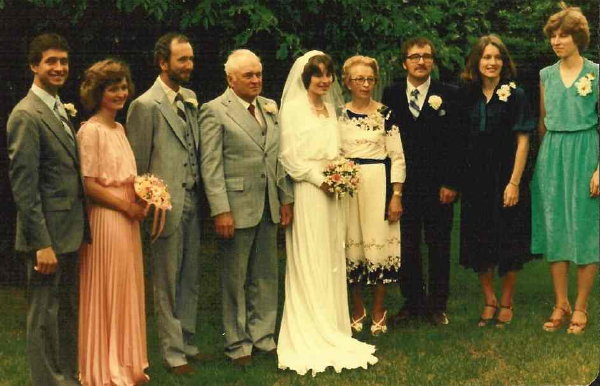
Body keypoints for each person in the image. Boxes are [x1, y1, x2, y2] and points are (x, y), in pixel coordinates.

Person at [277, 50, 378, 376]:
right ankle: (310, 329)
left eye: (328, 74)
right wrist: (321, 181)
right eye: (317, 74)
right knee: (311, 257)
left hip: (334, 194)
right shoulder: (293, 110)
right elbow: (289, 158)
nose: (324, 80)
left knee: (332, 257)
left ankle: (333, 328)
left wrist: (340, 174)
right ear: (305, 77)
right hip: (309, 192)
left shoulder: (331, 111)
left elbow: (336, 151)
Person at [199, 49, 294, 367]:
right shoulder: (214, 111)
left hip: (267, 204)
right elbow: (210, 166)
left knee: (265, 275)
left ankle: (263, 336)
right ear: (230, 79)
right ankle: (237, 343)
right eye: (248, 76)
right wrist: (220, 210)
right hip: (235, 207)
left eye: (259, 74)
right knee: (235, 278)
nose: (256, 80)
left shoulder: (269, 108)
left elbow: (277, 158)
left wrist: (284, 198)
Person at [6, 33, 87, 386]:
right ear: (33, 65)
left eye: (64, 62)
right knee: (44, 315)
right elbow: (25, 187)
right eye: (51, 61)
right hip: (46, 238)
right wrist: (41, 243)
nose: (59, 68)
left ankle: (67, 376)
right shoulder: (26, 114)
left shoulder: (58, 108)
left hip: (68, 232)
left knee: (66, 314)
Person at [126, 33, 206, 375]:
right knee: (166, 279)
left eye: (190, 59)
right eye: (182, 60)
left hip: (192, 199)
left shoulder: (190, 98)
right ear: (163, 63)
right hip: (164, 206)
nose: (189, 65)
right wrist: (149, 205)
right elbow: (139, 165)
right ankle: (173, 353)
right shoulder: (145, 105)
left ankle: (187, 340)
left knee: (189, 276)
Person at [77, 59, 150, 385]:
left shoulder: (119, 129)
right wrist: (125, 206)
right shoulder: (90, 130)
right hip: (108, 219)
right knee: (109, 289)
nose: (121, 93)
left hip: (128, 218)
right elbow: (90, 185)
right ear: (98, 93)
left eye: (123, 87)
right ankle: (105, 366)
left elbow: (125, 176)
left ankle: (126, 361)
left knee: (126, 288)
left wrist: (145, 197)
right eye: (112, 88)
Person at [382, 37, 463, 325]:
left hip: (439, 185)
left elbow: (458, 142)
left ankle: (438, 305)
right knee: (408, 245)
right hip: (403, 186)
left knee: (439, 245)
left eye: (427, 56)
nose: (421, 61)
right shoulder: (390, 94)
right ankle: (412, 302)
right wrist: (393, 188)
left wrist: (451, 182)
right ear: (404, 62)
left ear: (433, 61)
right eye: (415, 56)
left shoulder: (449, 93)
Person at [458, 35, 534, 327]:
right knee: (480, 239)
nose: (491, 63)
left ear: (504, 62)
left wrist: (514, 182)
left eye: (497, 57)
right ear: (477, 61)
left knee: (508, 240)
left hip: (506, 177)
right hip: (476, 180)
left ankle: (506, 302)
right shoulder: (467, 94)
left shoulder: (516, 94)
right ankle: (488, 300)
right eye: (486, 57)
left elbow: (524, 141)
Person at [531, 5, 599, 334]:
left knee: (586, 230)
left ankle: (582, 306)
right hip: (553, 153)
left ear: (578, 38)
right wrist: (544, 163)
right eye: (553, 36)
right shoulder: (545, 75)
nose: (556, 41)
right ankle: (561, 303)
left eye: (563, 35)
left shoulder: (596, 73)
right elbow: (544, 123)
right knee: (555, 228)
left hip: (587, 152)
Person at [338, 55, 406, 336]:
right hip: (347, 188)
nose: (365, 84)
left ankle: (379, 309)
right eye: (359, 79)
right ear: (347, 82)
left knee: (379, 246)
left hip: (378, 184)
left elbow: (398, 157)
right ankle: (357, 308)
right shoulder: (338, 115)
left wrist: (396, 194)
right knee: (351, 247)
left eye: (369, 79)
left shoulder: (386, 114)